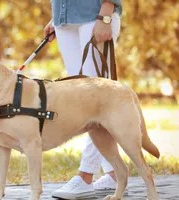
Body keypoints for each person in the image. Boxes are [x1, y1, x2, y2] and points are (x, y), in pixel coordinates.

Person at [44, 0, 123, 199]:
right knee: (81, 98)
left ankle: (86, 175)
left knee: (95, 100)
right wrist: (60, 14)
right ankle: (114, 174)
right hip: (66, 19)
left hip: (94, 14)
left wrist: (106, 13)